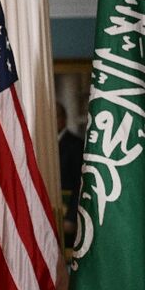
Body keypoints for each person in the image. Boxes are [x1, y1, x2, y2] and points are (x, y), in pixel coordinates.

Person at [57, 102, 84, 246]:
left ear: (63, 118)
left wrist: (72, 217)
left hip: (67, 208)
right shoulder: (43, 144)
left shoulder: (76, 144)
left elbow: (80, 183)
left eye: (56, 116)